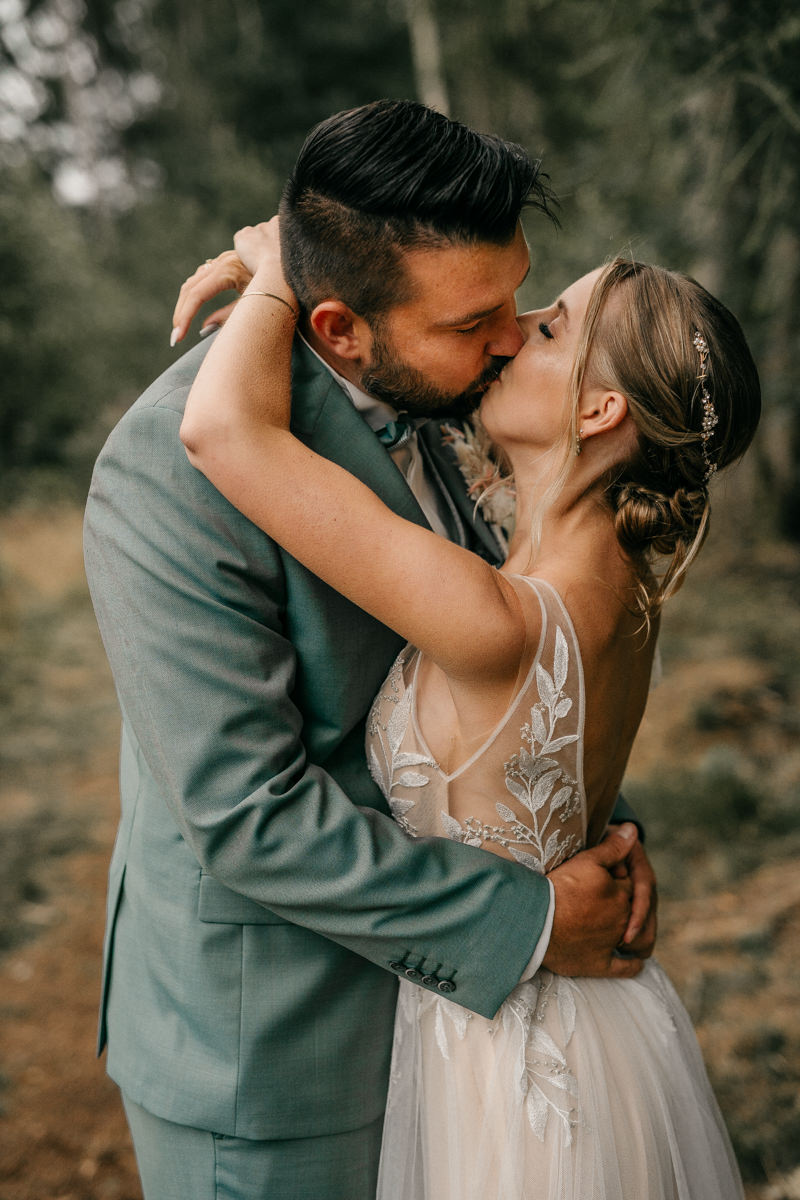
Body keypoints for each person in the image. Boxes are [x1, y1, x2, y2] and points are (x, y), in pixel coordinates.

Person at [83, 100, 656, 1200]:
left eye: (516, 296)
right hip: (275, 1057)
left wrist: (593, 842)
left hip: (455, 1041)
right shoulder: (168, 471)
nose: (513, 336)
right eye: (472, 321)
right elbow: (246, 812)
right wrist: (532, 922)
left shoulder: (451, 381)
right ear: (339, 328)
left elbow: (515, 662)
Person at [178, 217, 760, 1199]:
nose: (508, 330)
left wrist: (279, 270)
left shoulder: (495, 616)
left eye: (544, 330)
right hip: (601, 1029)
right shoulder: (619, 589)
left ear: (597, 409)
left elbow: (218, 432)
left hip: (499, 1051)